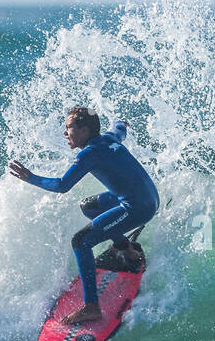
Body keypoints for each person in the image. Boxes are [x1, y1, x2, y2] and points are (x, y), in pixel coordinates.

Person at [9, 107, 159, 324]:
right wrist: (122, 122)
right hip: (149, 196)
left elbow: (62, 185)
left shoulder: (89, 154)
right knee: (89, 207)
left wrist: (30, 178)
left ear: (84, 130)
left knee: (81, 241)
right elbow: (120, 129)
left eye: (69, 128)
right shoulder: (109, 138)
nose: (65, 133)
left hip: (137, 208)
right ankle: (127, 251)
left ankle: (91, 307)